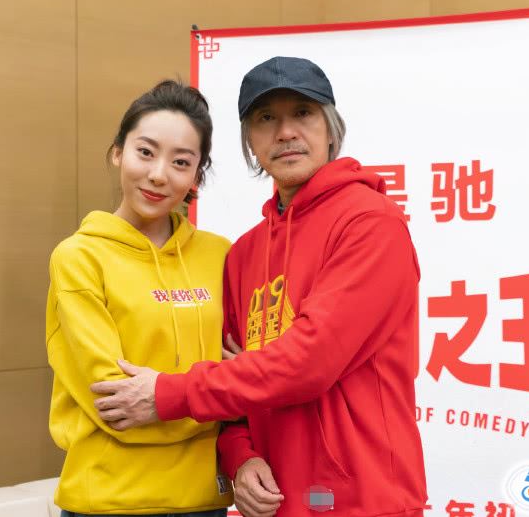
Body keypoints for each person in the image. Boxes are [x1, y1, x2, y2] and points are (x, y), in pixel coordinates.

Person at [92, 57, 428, 517]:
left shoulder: (370, 223)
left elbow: (309, 361)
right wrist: (241, 458)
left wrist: (169, 394)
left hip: (364, 500)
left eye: (303, 113)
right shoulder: (245, 253)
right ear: (249, 141)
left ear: (331, 129)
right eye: (266, 118)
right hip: (274, 502)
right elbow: (232, 394)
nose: (285, 132)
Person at [46, 80, 233, 516]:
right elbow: (114, 401)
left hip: (204, 499)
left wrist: (162, 398)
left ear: (197, 175)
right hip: (109, 499)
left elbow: (247, 377)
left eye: (181, 161)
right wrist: (215, 397)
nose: (159, 174)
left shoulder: (221, 255)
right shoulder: (79, 258)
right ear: (118, 152)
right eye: (145, 152)